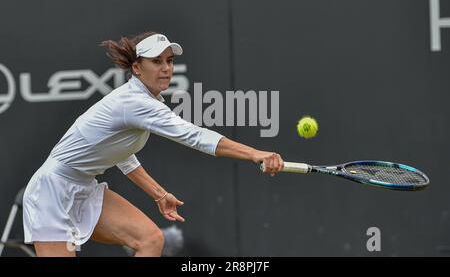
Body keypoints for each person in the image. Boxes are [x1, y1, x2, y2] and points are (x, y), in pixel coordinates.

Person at [22, 32, 284, 257]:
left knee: (150, 239)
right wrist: (254, 154)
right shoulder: (134, 103)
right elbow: (194, 136)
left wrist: (158, 194)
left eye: (169, 61)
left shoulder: (141, 101)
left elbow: (122, 155)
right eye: (156, 61)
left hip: (84, 187)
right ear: (137, 68)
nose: (166, 68)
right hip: (51, 192)